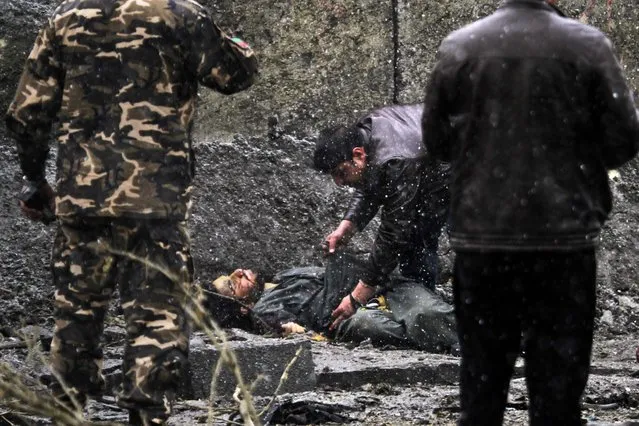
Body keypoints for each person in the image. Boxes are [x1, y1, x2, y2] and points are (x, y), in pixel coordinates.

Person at [5, 0, 258, 424]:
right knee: (156, 314)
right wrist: (229, 37)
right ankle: (146, 413)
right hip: (155, 200)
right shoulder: (180, 13)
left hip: (82, 198)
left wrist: (34, 181)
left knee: (76, 310)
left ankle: (67, 410)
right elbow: (236, 73)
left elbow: (29, 113)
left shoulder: (65, 17)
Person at [421, 1, 639, 425]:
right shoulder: (587, 46)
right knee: (557, 393)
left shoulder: (461, 46)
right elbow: (626, 136)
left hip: (482, 241)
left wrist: (481, 160)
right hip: (562, 242)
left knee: (482, 390)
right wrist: (581, 166)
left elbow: (436, 139)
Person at [313, 104, 450, 330]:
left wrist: (359, 295)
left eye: (340, 173)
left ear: (357, 155)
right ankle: (423, 312)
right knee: (417, 240)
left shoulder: (396, 160)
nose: (339, 182)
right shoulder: (366, 133)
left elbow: (394, 233)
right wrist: (347, 226)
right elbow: (371, 181)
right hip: (434, 168)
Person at [200, 252, 459, 354]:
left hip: (387, 289)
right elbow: (286, 330)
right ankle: (458, 347)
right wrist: (291, 331)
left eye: (233, 274)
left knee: (429, 312)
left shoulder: (284, 275)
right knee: (376, 324)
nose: (239, 272)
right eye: (233, 285)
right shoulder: (264, 310)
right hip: (347, 318)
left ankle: (480, 342)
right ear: (242, 307)